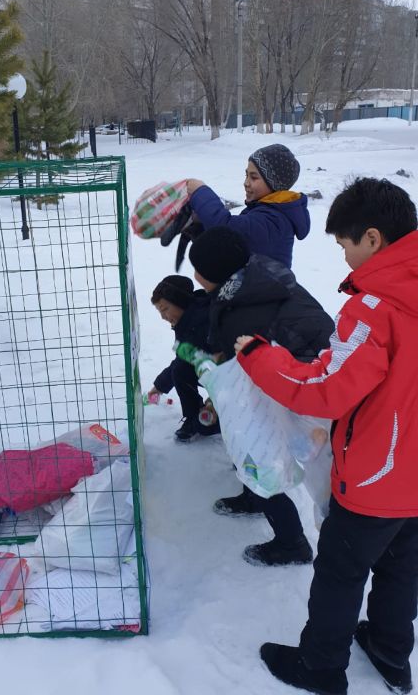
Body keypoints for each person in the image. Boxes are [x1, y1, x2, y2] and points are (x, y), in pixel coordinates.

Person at [235, 178, 418, 695]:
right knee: (402, 567)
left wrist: (259, 356)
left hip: (376, 476)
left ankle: (320, 667)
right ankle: (390, 651)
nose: (343, 257)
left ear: (374, 238)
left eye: (344, 245)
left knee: (340, 570)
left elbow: (326, 391)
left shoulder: (375, 308)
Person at [184, 226, 334, 566]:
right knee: (251, 448)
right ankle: (253, 497)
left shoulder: (241, 311)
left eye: (198, 269)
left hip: (304, 392)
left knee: (260, 453)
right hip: (307, 374)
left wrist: (215, 387)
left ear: (215, 272)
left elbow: (236, 370)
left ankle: (292, 543)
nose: (194, 275)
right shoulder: (255, 277)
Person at [186, 143, 309, 269]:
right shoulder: (262, 212)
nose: (246, 183)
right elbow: (229, 251)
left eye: (254, 177)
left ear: (275, 184)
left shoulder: (273, 221)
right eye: (247, 175)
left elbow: (226, 229)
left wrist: (200, 192)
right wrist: (199, 228)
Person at [149, 275, 220, 442]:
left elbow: (228, 364)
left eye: (165, 309)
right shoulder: (185, 323)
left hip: (236, 380)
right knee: (181, 368)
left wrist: (214, 402)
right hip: (212, 373)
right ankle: (194, 417)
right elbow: (183, 359)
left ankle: (222, 419)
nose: (163, 317)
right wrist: (160, 386)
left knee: (207, 426)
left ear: (180, 301)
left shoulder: (206, 320)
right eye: (160, 311)